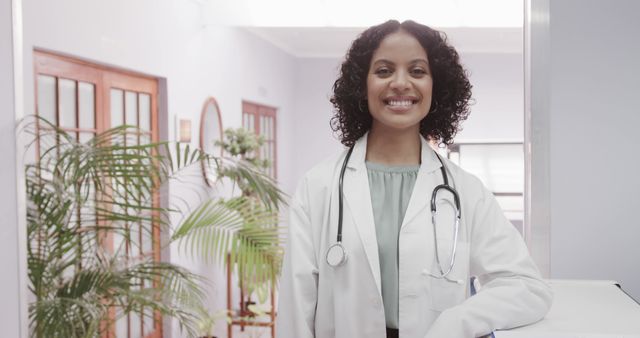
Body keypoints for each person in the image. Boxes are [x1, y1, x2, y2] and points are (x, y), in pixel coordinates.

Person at [276, 20, 552, 338]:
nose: (400, 83)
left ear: (438, 86)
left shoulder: (465, 191)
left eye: (417, 71)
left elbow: (528, 287)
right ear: (361, 86)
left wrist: (458, 320)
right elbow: (296, 308)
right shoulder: (319, 187)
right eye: (383, 71)